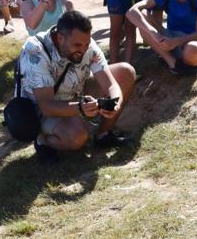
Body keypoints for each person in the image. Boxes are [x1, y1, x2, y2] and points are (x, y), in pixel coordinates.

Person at [17, 9, 135, 162]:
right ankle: (43, 141)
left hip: (75, 93)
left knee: (126, 72)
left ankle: (103, 135)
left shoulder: (87, 44)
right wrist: (80, 108)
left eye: (86, 44)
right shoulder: (36, 51)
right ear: (60, 38)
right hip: (45, 110)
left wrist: (115, 103)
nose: (84, 49)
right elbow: (46, 106)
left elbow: (111, 84)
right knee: (77, 137)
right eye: (77, 45)